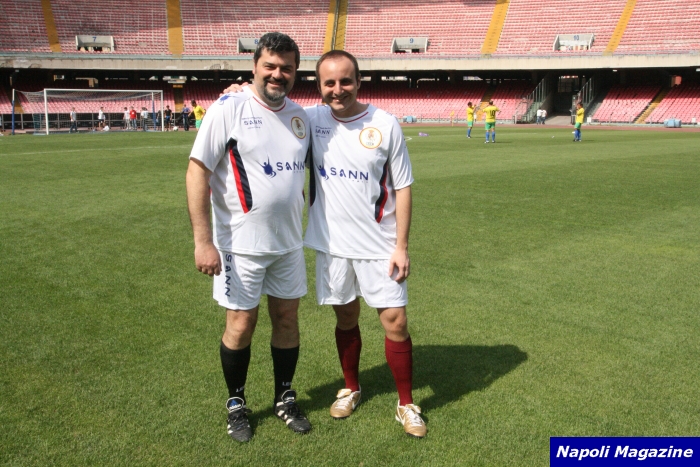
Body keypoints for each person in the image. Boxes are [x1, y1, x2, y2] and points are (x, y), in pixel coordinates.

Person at [185, 32, 312, 444]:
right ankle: (236, 403)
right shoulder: (229, 108)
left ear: (296, 72)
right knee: (241, 324)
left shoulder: (301, 117)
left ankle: (284, 397)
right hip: (239, 246)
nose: (277, 74)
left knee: (287, 319)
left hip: (288, 244)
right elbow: (197, 171)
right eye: (269, 66)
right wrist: (203, 241)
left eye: (286, 68)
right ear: (254, 66)